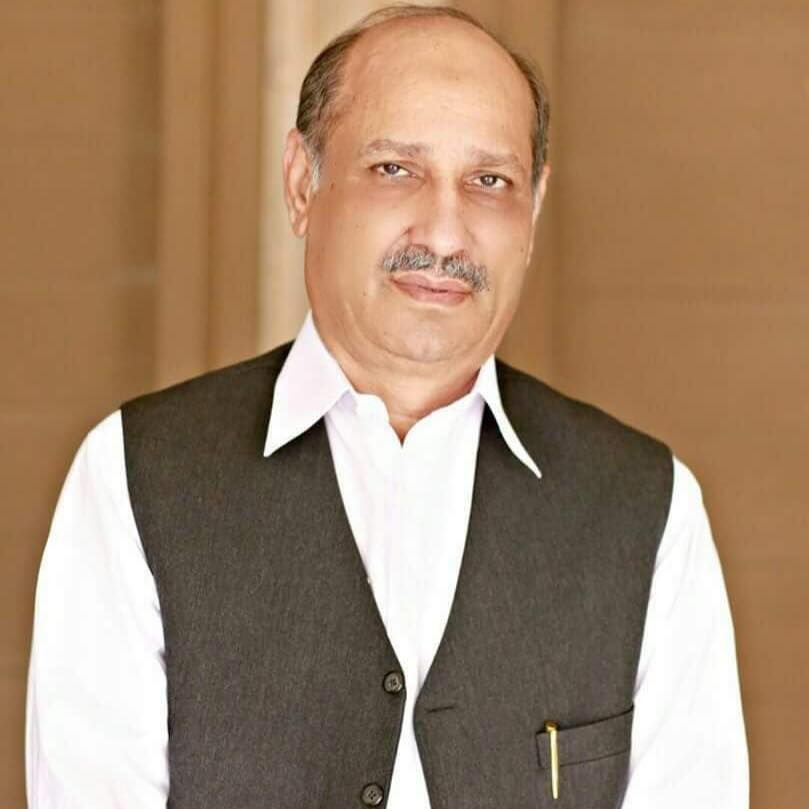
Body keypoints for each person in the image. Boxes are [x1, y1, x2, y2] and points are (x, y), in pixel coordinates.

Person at [25, 5, 749, 808]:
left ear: (534, 209)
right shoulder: (135, 475)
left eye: (489, 181)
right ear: (302, 184)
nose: (443, 233)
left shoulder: (647, 506)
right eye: (395, 169)